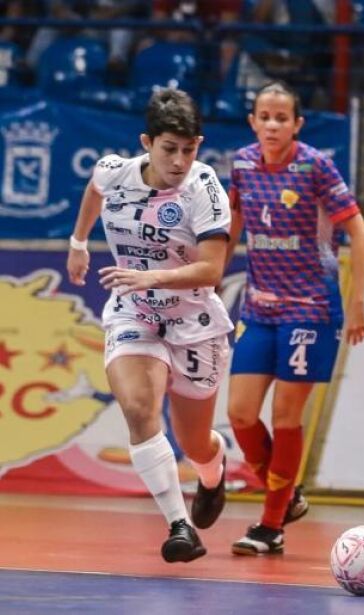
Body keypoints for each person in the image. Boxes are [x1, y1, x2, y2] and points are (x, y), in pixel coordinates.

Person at [66, 88, 232, 563]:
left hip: (194, 321)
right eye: (169, 149)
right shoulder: (115, 171)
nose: (179, 161)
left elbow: (212, 269)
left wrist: (151, 275)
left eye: (189, 148)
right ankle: (180, 527)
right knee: (140, 410)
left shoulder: (205, 188)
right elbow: (93, 191)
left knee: (195, 442)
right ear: (147, 142)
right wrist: (79, 242)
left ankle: (212, 471)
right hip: (134, 312)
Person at [225, 80, 364, 556]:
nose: (272, 125)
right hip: (259, 308)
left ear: (297, 124)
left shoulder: (315, 166)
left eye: (281, 117)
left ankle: (271, 525)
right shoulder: (243, 164)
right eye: (264, 116)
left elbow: (358, 231)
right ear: (252, 121)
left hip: (310, 308)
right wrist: (209, 274)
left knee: (286, 415)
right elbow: (233, 226)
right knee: (241, 413)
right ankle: (288, 495)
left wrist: (358, 301)